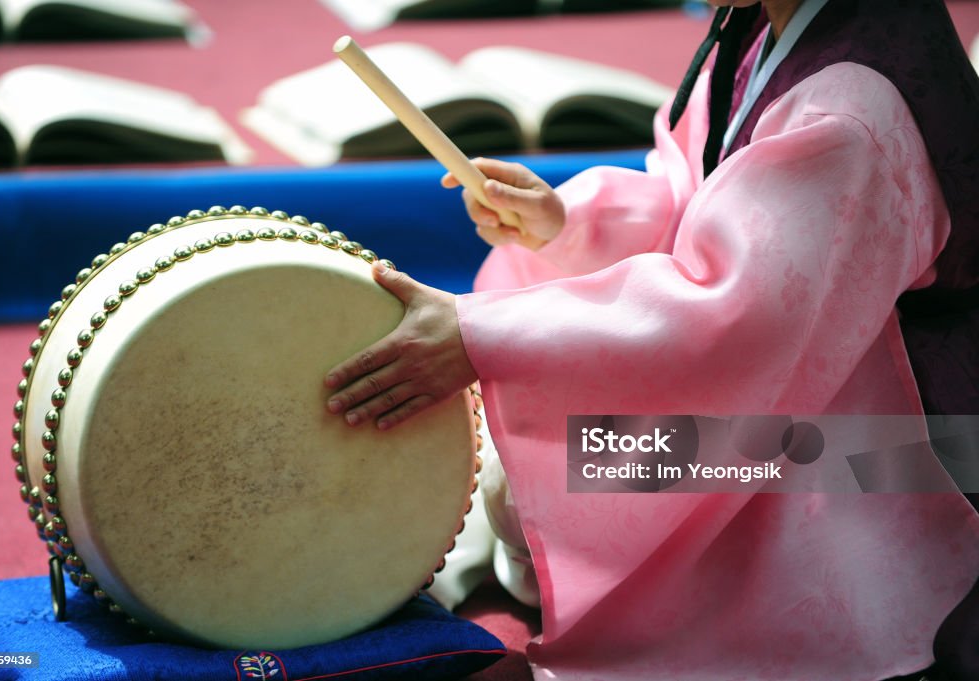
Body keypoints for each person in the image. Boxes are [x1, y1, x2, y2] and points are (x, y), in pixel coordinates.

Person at [324, 1, 979, 679]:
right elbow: (700, 198)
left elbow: (734, 321)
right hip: (813, 387)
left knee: (569, 467)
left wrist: (481, 335)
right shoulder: (764, 27)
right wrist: (566, 223)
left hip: (898, 452)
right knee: (524, 469)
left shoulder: (855, 106)